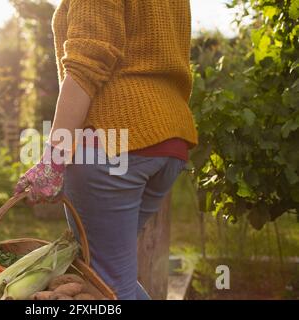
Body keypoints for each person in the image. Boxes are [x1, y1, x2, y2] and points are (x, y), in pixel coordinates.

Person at [14, 0, 198, 300]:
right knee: (112, 278)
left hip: (112, 141)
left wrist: (52, 159)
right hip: (167, 141)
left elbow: (86, 63)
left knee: (106, 287)